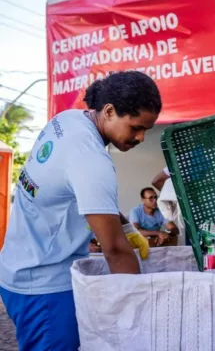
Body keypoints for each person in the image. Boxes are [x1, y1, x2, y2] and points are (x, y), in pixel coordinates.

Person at [0, 71, 162, 350]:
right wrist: (138, 309)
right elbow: (114, 250)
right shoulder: (91, 160)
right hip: (45, 286)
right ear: (109, 111)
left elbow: (90, 200)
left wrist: (126, 228)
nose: (141, 137)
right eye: (136, 127)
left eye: (146, 129)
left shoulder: (68, 120)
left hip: (17, 267)